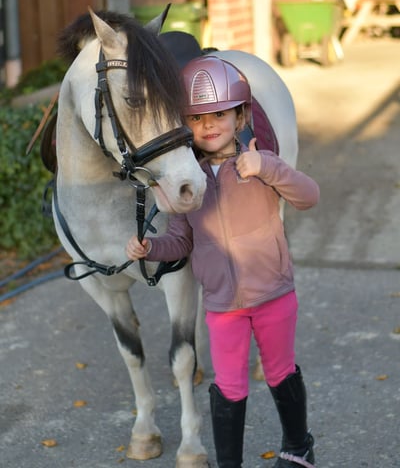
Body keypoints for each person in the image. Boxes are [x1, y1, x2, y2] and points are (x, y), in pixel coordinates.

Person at [126, 55, 320, 468]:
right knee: (229, 387)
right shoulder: (190, 184)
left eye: (219, 114)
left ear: (240, 115)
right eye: (197, 118)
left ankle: (299, 447)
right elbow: (181, 241)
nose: (209, 125)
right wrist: (150, 248)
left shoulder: (259, 164)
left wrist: (267, 167)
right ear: (184, 126)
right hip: (222, 306)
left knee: (280, 372)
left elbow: (309, 196)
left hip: (273, 297)